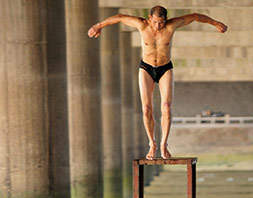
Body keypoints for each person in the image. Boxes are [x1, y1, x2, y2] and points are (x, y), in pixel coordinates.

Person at [88, 6, 227, 160]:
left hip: (165, 68)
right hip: (146, 68)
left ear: (165, 20)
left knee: (166, 107)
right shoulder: (142, 25)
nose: (158, 26)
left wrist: (215, 23)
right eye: (155, 22)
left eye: (161, 23)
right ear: (149, 18)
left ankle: (163, 144)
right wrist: (99, 25)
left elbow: (194, 16)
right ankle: (152, 143)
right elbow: (120, 17)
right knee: (146, 108)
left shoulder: (171, 25)